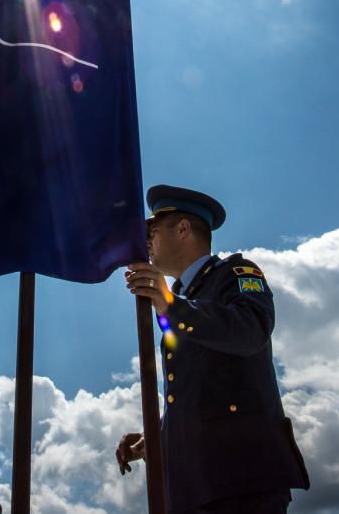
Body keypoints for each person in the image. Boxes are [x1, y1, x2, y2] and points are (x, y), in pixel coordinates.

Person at [115, 184, 309, 514]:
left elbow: (250, 331)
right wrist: (161, 436)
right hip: (196, 486)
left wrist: (171, 305)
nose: (145, 241)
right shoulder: (180, 300)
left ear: (183, 228)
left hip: (242, 477)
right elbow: (199, 392)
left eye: (153, 230)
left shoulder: (236, 273)